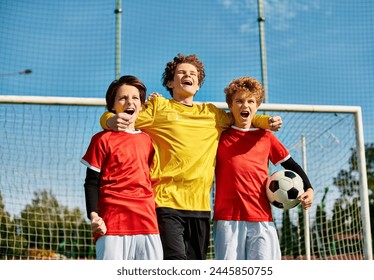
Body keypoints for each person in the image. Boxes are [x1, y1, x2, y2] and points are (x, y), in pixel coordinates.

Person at [99, 54, 283, 260]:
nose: (188, 76)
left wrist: (265, 121)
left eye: (193, 74)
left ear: (198, 84)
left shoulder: (212, 114)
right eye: (181, 73)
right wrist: (108, 119)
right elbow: (124, 114)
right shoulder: (159, 107)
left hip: (200, 207)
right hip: (165, 202)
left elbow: (241, 114)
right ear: (170, 82)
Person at [213, 76, 314, 260]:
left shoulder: (265, 137)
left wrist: (309, 188)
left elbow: (291, 164)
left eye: (251, 101)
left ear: (257, 106)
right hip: (227, 219)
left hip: (261, 216)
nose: (245, 105)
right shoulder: (219, 135)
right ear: (230, 106)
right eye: (239, 101)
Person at [81, 75, 163, 260]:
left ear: (142, 105)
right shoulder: (101, 139)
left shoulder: (149, 140)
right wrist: (94, 216)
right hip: (112, 223)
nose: (130, 102)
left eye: (135, 98)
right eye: (123, 98)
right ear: (112, 106)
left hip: (147, 221)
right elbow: (91, 182)